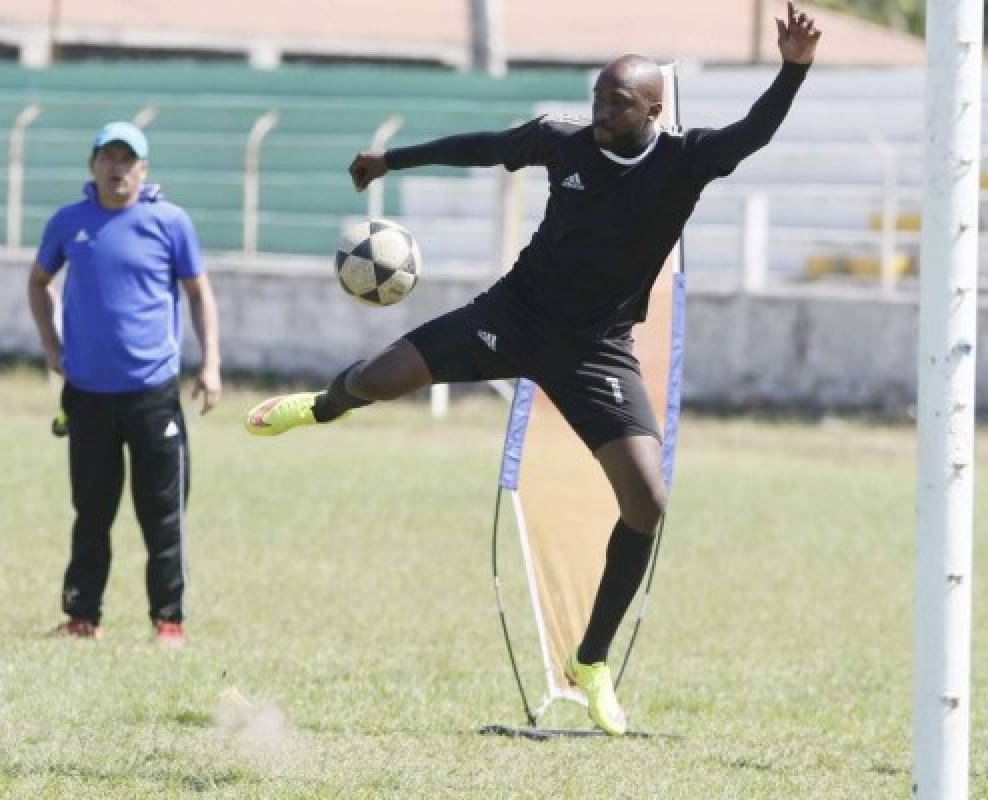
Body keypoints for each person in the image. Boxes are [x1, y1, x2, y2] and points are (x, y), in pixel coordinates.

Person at [245, 4, 820, 732]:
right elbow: (487, 147)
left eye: (617, 102)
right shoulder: (563, 141)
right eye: (598, 97)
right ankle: (320, 406)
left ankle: (592, 661)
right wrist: (393, 160)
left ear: (653, 109)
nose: (601, 111)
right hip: (515, 316)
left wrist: (793, 68)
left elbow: (755, 131)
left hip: (597, 351)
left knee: (647, 501)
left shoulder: (686, 160)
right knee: (379, 380)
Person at [27, 121, 222, 646]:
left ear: (143, 169)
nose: (118, 168)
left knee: (162, 515)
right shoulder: (69, 222)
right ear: (92, 165)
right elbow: (39, 283)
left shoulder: (170, 222)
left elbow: (199, 292)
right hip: (88, 394)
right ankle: (81, 617)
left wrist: (211, 363)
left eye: (127, 159)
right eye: (108, 157)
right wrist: (51, 347)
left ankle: (169, 621)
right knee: (91, 512)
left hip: (152, 393)